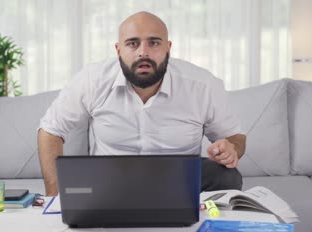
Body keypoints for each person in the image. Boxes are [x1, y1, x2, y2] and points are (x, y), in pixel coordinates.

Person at [38, 11, 246, 196]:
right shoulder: (92, 80)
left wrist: (231, 149)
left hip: (180, 182)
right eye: (133, 43)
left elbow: (234, 137)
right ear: (118, 50)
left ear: (168, 48)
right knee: (78, 178)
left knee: (227, 176)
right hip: (110, 181)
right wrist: (54, 199)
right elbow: (50, 130)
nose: (143, 52)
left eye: (154, 43)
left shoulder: (203, 85)